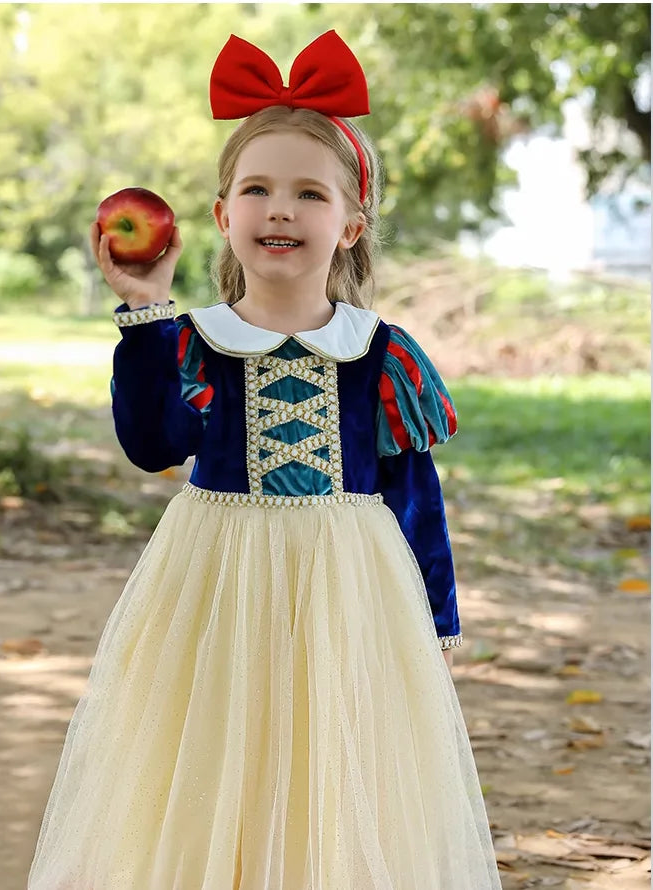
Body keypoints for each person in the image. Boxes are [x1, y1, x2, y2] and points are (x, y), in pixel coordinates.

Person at [27, 30, 502, 890]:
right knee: (217, 756)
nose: (279, 209)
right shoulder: (198, 340)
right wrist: (144, 313)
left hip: (351, 592)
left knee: (336, 759)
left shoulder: (377, 352)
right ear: (222, 215)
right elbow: (153, 446)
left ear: (351, 223)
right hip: (218, 587)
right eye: (257, 188)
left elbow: (412, 492)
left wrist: (436, 619)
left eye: (308, 193)